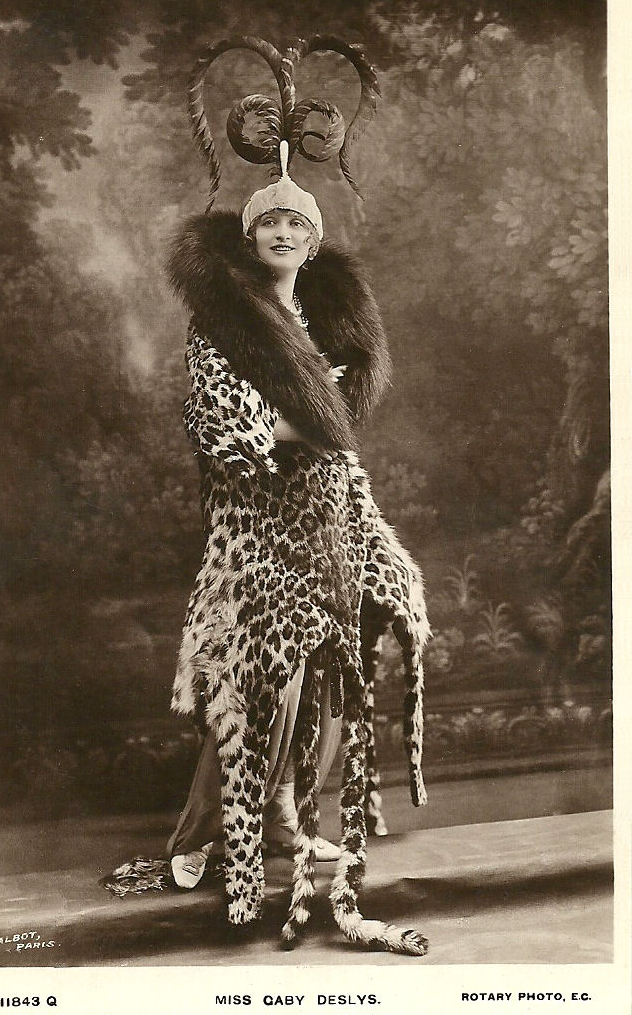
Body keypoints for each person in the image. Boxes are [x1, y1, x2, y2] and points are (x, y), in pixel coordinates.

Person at [165, 98, 431, 955]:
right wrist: (297, 421)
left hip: (329, 520)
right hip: (256, 528)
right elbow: (223, 431)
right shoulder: (223, 331)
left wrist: (321, 447)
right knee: (252, 688)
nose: (282, 231)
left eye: (296, 222)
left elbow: (339, 442)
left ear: (313, 244)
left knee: (329, 678)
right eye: (268, 220)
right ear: (251, 241)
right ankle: (204, 834)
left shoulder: (333, 328)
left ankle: (284, 822)